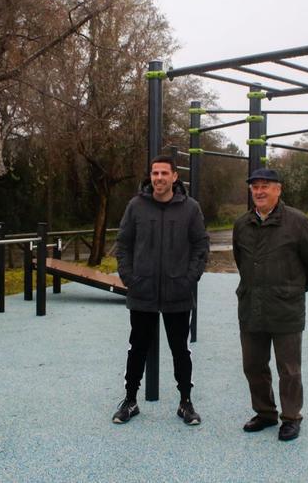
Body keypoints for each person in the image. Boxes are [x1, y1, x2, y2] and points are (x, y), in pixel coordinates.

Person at [112, 154, 210, 425]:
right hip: (142, 291)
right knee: (137, 348)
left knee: (180, 349)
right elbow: (123, 244)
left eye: (164, 173)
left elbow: (201, 247)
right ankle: (130, 400)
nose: (159, 178)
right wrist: (130, 278)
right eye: (155, 173)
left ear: (174, 177)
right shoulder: (136, 206)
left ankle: (185, 403)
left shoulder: (190, 209)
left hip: (177, 293)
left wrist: (189, 279)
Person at [232, 168, 308, 441]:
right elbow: (241, 260)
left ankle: (291, 417)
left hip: (285, 307)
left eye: (265, 186)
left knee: (289, 368)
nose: (259, 191)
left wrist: (295, 288)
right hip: (251, 305)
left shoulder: (297, 222)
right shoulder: (242, 224)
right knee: (253, 364)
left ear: (278, 189)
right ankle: (265, 412)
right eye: (255, 187)